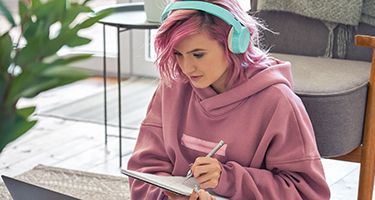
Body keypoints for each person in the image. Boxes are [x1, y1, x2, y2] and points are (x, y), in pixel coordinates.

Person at [127, 0, 331, 199]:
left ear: (234, 43)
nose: (186, 68)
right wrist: (168, 197)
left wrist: (229, 179)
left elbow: (307, 193)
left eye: (198, 54)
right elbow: (144, 170)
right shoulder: (172, 87)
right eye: (179, 54)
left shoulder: (278, 102)